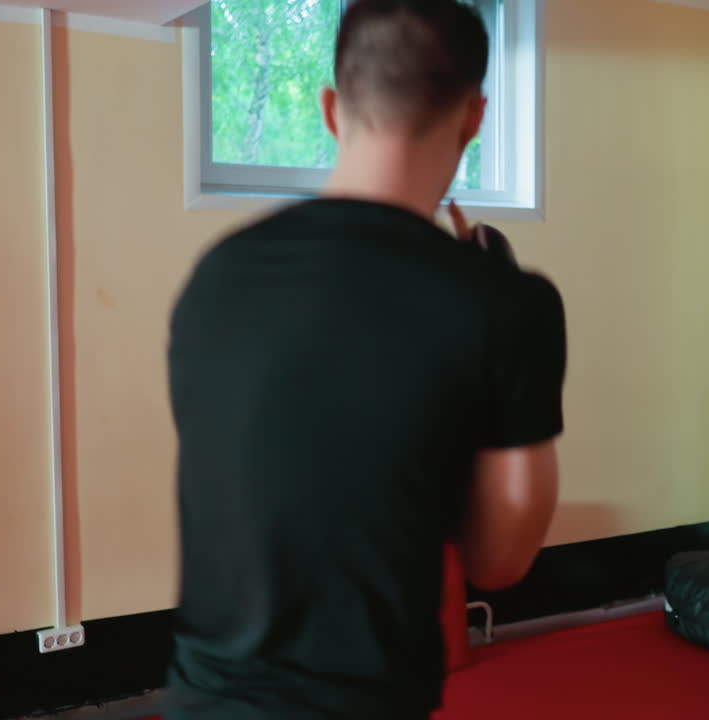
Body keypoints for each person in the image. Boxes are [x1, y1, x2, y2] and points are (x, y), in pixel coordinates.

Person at [164, 1, 567, 718]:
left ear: (329, 107)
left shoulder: (217, 276)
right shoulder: (505, 304)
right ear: (474, 117)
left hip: (204, 701)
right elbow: (499, 560)